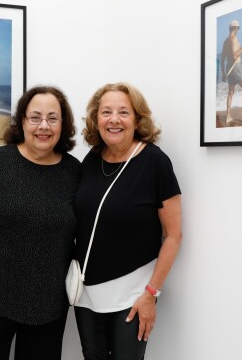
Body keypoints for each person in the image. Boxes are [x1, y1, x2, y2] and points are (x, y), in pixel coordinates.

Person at [0, 86, 81, 360]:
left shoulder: (75, 172)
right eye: (35, 117)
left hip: (47, 304)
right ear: (22, 121)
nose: (43, 126)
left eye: (52, 118)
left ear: (63, 124)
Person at [74, 82, 182, 360]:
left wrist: (151, 294)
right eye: (106, 112)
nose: (114, 119)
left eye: (124, 112)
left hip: (133, 295)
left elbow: (173, 235)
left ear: (137, 119)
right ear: (96, 120)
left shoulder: (155, 162)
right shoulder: (91, 160)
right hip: (86, 294)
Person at [221, 20, 242, 124]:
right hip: (236, 67)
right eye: (238, 28)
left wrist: (223, 73)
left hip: (229, 68)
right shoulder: (234, 39)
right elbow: (236, 56)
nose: (238, 30)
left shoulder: (226, 41)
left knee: (231, 93)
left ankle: (228, 117)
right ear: (235, 28)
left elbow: (222, 59)